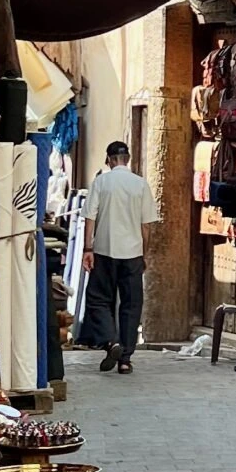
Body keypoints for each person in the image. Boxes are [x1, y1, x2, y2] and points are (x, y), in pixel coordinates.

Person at [82, 141, 155, 374]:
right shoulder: (140, 184)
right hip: (132, 253)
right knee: (131, 304)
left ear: (109, 159)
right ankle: (125, 359)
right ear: (128, 158)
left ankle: (111, 340)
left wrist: (87, 248)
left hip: (104, 251)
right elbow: (146, 226)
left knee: (97, 299)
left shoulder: (101, 182)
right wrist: (145, 253)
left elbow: (90, 218)